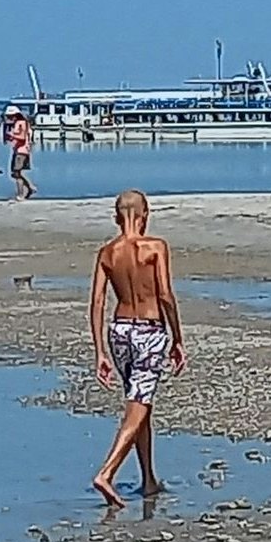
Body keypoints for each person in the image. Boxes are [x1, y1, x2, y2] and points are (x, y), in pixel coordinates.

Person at [89, 188, 184, 506]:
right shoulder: (155, 247)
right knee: (138, 404)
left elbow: (97, 302)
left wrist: (100, 351)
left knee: (140, 403)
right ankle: (107, 472)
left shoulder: (108, 253)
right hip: (149, 330)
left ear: (117, 218)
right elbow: (165, 295)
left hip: (119, 331)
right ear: (145, 216)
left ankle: (148, 480)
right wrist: (177, 337)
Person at [6, 106, 37, 199]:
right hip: (19, 150)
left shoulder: (21, 123)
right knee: (15, 173)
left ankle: (21, 194)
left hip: (21, 150)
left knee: (17, 172)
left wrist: (12, 135)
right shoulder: (20, 123)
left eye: (10, 116)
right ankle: (30, 188)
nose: (9, 118)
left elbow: (22, 137)